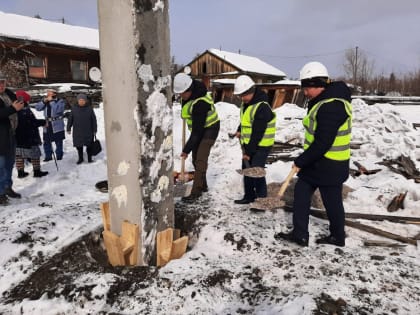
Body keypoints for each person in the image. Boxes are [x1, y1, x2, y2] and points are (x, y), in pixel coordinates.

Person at [275, 61, 352, 247]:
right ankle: (301, 234)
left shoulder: (332, 106)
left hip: (329, 163)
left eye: (307, 88)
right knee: (302, 192)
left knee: (331, 201)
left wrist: (302, 160)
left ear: (319, 85)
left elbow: (323, 142)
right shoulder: (322, 101)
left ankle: (335, 236)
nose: (305, 92)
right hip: (320, 162)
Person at [173, 73, 220, 202]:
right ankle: (203, 185)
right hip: (199, 129)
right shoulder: (189, 96)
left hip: (210, 129)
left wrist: (186, 149)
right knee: (195, 159)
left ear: (190, 90)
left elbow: (197, 132)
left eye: (182, 93)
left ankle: (196, 191)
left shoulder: (200, 104)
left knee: (200, 160)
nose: (180, 96)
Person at [232, 75, 276, 204]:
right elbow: (245, 120)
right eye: (240, 95)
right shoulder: (246, 104)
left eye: (243, 95)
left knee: (256, 171)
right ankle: (249, 196)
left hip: (261, 145)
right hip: (248, 143)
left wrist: (248, 153)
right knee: (247, 170)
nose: (241, 98)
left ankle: (262, 199)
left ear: (251, 91)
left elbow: (258, 132)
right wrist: (239, 129)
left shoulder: (262, 107)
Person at [0, 71, 24, 205]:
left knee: (9, 165)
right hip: (1, 138)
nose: (1, 85)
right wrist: (13, 108)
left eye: (2, 82)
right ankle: (0, 193)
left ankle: (7, 187)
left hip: (11, 135)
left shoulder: (9, 93)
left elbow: (17, 104)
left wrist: (20, 103)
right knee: (1, 166)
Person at [14, 90, 49, 178]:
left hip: (18, 137)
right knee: (35, 154)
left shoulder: (14, 109)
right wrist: (43, 122)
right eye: (27, 100)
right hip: (29, 137)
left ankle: (20, 173)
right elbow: (32, 123)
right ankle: (37, 172)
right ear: (24, 100)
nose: (29, 102)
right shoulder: (25, 110)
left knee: (19, 156)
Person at [35, 88, 66, 161]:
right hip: (47, 124)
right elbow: (37, 108)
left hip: (57, 124)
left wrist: (51, 101)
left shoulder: (60, 101)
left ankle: (59, 155)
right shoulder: (45, 101)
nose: (47, 93)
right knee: (46, 141)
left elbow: (58, 110)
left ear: (54, 93)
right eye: (47, 92)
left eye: (49, 92)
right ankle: (48, 156)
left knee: (58, 141)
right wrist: (44, 101)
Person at [66, 93, 97, 164]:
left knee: (89, 145)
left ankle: (89, 158)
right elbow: (70, 119)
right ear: (77, 101)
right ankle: (80, 158)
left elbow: (94, 120)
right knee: (79, 146)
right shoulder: (74, 108)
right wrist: (68, 128)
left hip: (88, 131)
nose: (81, 101)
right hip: (78, 131)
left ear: (86, 101)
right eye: (80, 100)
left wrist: (95, 129)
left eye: (83, 100)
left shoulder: (89, 108)